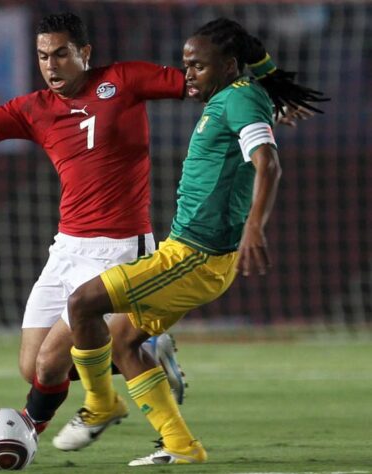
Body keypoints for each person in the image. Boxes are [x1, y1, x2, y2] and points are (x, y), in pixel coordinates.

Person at [0, 12, 311, 443]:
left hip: (120, 247)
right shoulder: (32, 109)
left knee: (49, 364)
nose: (51, 65)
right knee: (34, 365)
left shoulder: (125, 79)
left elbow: (208, 80)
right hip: (67, 248)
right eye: (43, 56)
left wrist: (270, 95)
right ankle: (141, 349)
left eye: (61, 54)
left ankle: (32, 430)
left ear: (84, 53)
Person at [56, 18, 329, 466]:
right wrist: (272, 90)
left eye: (199, 66)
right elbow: (258, 84)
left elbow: (269, 163)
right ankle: (182, 446)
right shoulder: (238, 94)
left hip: (195, 257)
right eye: (186, 65)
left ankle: (102, 405)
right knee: (123, 343)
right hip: (185, 254)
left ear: (229, 65)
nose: (189, 76)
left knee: (83, 304)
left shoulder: (239, 99)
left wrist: (254, 226)